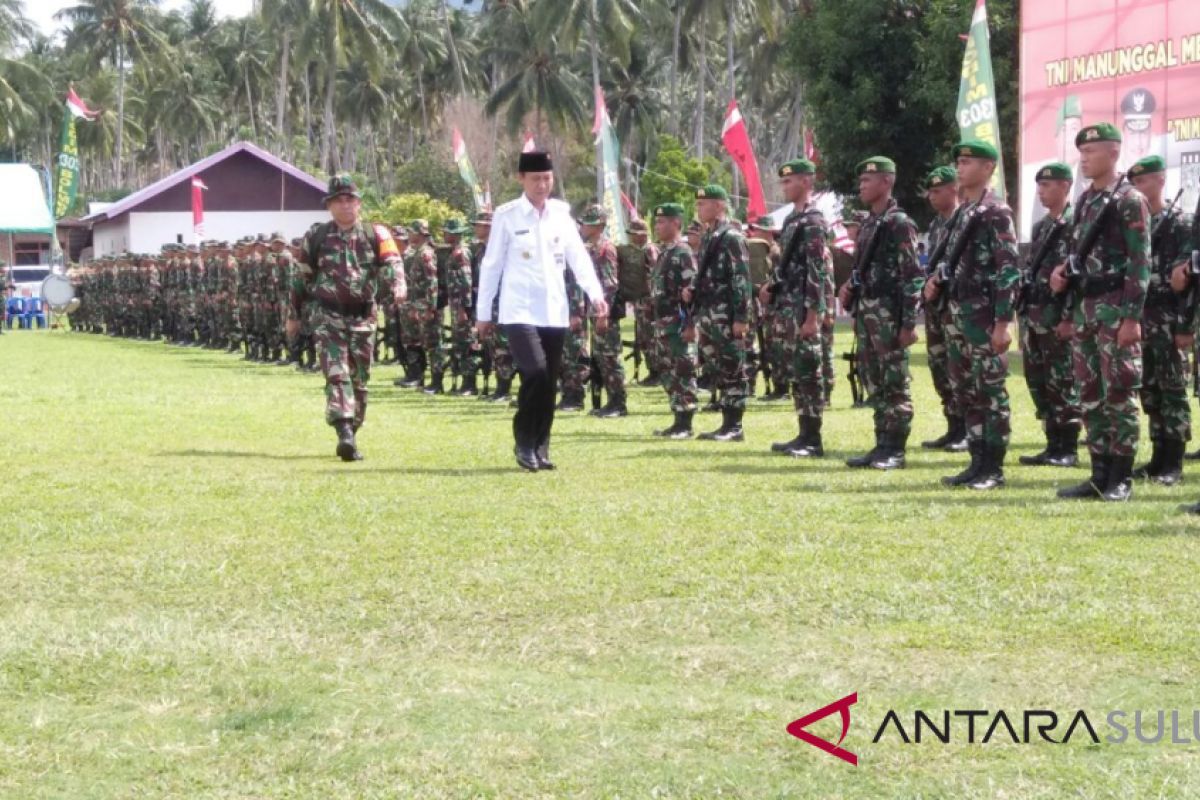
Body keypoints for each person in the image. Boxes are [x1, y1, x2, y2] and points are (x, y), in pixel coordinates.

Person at [475, 151, 609, 472]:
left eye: (547, 178)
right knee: (533, 371)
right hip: (517, 310)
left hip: (553, 310)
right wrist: (483, 313)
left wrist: (596, 295)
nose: (542, 184)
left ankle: (540, 445)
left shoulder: (561, 215)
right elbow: (491, 266)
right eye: (535, 178)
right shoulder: (508, 216)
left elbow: (578, 258)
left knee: (549, 381)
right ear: (521, 179)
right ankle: (524, 440)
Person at [1050, 123, 1151, 501]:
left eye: (1091, 152)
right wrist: (1063, 273)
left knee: (1120, 393)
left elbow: (1140, 261)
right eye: (1081, 152)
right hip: (1086, 309)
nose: (1084, 159)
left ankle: (1121, 477)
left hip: (1115, 309)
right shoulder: (1087, 201)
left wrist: (1132, 317)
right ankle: (1099, 473)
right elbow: (1079, 254)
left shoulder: (1129, 200)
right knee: (1089, 394)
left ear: (1113, 153)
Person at [286, 174, 406, 462]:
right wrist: (294, 315)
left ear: (359, 203)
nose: (345, 205)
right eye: (338, 200)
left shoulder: (376, 234)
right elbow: (300, 278)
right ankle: (343, 432)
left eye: (349, 199)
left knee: (359, 381)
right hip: (329, 318)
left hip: (364, 319)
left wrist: (399, 284)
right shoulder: (316, 236)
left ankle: (352, 431)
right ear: (329, 205)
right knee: (337, 374)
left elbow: (392, 263)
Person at [924, 141, 1020, 491]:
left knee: (990, 392)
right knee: (967, 391)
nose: (960, 168)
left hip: (983, 319)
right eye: (959, 162)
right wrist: (936, 282)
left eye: (968, 162)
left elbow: (1008, 269)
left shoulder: (996, 212)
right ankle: (977, 460)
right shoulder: (965, 212)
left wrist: (1002, 323)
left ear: (988, 168)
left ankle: (993, 466)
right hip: (958, 315)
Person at [838, 157, 923, 470]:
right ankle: (881, 443)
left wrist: (908, 322)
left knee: (893, 381)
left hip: (889, 312)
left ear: (886, 182)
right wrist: (850, 286)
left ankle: (896, 449)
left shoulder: (899, 222)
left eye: (868, 179)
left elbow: (913, 275)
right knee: (873, 377)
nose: (862, 185)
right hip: (868, 311)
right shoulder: (871, 223)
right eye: (861, 179)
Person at [1129, 155, 1193, 485]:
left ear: (1160, 181)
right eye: (1134, 183)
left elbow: (1188, 282)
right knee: (1150, 390)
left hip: (1169, 318)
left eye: (1144, 181)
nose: (1138, 188)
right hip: (1143, 319)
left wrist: (1185, 326)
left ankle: (1174, 462)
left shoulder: (1181, 223)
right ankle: (1157, 458)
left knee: (1172, 391)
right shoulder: (1138, 224)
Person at [764, 158, 832, 458]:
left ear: (806, 182)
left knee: (809, 372)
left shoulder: (814, 222)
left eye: (790, 181)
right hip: (788, 307)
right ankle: (802, 434)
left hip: (804, 309)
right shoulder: (792, 221)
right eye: (784, 181)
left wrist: (813, 315)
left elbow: (816, 270)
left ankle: (813, 439)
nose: (785, 186)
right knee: (796, 372)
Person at [1018, 163, 1082, 468]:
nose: (1042, 191)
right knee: (1038, 380)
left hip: (1058, 316)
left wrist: (1069, 317)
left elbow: (1076, 278)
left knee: (1063, 381)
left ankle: (1067, 447)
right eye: (1039, 186)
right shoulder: (1042, 227)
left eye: (1048, 185)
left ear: (1066, 186)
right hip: (1035, 315)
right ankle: (1052, 443)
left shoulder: (1075, 225)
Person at [683, 184, 753, 442]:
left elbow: (741, 280)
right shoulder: (709, 236)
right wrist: (693, 290)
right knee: (718, 367)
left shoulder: (731, 237)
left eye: (704, 203)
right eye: (698, 204)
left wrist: (741, 318)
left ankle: (734, 425)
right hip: (710, 312)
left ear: (720, 205)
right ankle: (727, 422)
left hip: (727, 314)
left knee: (733, 367)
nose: (699, 208)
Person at [919, 166, 968, 452]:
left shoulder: (966, 221)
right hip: (937, 308)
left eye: (937, 190)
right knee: (940, 367)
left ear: (954, 189)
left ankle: (966, 429)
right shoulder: (938, 225)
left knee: (959, 368)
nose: (931, 196)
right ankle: (953, 426)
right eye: (930, 191)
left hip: (958, 307)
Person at [648, 202, 699, 438]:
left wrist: (690, 324)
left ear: (676, 223)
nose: (657, 226)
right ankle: (677, 418)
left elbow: (691, 292)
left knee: (683, 370)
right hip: (663, 323)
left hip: (678, 324)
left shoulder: (683, 253)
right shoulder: (664, 252)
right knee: (667, 370)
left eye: (662, 221)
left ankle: (685, 422)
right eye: (657, 221)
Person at [578, 204, 627, 417]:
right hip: (595, 311)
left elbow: (610, 284)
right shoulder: (592, 248)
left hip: (605, 313)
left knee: (610, 358)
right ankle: (609, 401)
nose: (583, 228)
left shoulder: (606, 249)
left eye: (588, 224)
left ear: (599, 226)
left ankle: (618, 403)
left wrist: (602, 314)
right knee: (600, 359)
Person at [443, 217, 483, 396]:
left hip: (463, 308)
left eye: (447, 232)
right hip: (457, 305)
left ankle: (470, 383)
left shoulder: (461, 253)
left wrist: (464, 309)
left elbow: (466, 281)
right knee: (460, 344)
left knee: (468, 344)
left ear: (454, 234)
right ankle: (465, 382)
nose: (444, 235)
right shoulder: (455, 252)